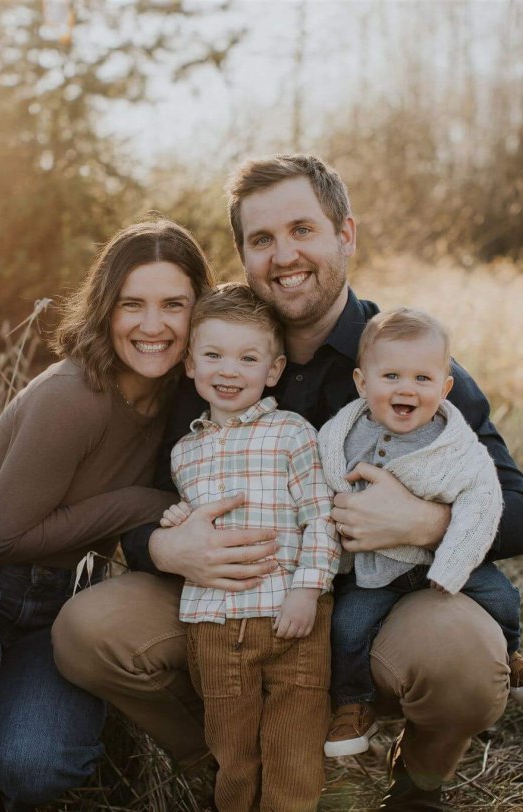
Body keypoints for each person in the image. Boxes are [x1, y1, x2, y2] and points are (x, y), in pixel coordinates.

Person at [52, 155, 523, 811]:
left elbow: (517, 504)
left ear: (345, 235)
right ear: (242, 254)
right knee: (88, 629)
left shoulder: (404, 364)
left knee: (464, 661)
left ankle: (417, 781)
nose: (284, 255)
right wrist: (161, 546)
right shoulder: (213, 362)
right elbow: (141, 495)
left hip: (377, 612)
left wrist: (425, 523)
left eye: (302, 229)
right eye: (262, 239)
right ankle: (225, 765)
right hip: (238, 607)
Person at [0, 218, 214, 812]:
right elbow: (5, 538)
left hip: (54, 609)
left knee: (37, 769)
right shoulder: (76, 395)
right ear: (104, 309)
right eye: (130, 304)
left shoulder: (179, 399)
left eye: (174, 305)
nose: (152, 325)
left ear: (200, 312)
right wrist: (141, 503)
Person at [159, 283, 339, 811]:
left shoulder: (292, 434)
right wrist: (176, 521)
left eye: (248, 357)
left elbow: (320, 517)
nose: (229, 370)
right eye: (213, 355)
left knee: (294, 750)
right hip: (213, 627)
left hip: (292, 620)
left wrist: (308, 589)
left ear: (274, 370)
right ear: (190, 364)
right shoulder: (183, 453)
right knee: (233, 754)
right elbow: (194, 525)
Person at [317, 307, 522, 759]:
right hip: (376, 569)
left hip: (438, 561)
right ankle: (354, 704)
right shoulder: (342, 436)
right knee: (347, 626)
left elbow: (486, 497)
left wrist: (447, 550)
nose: (406, 388)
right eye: (390, 375)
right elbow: (326, 487)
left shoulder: (453, 442)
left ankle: (510, 654)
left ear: (446, 388)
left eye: (423, 380)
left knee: (504, 598)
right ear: (361, 382)